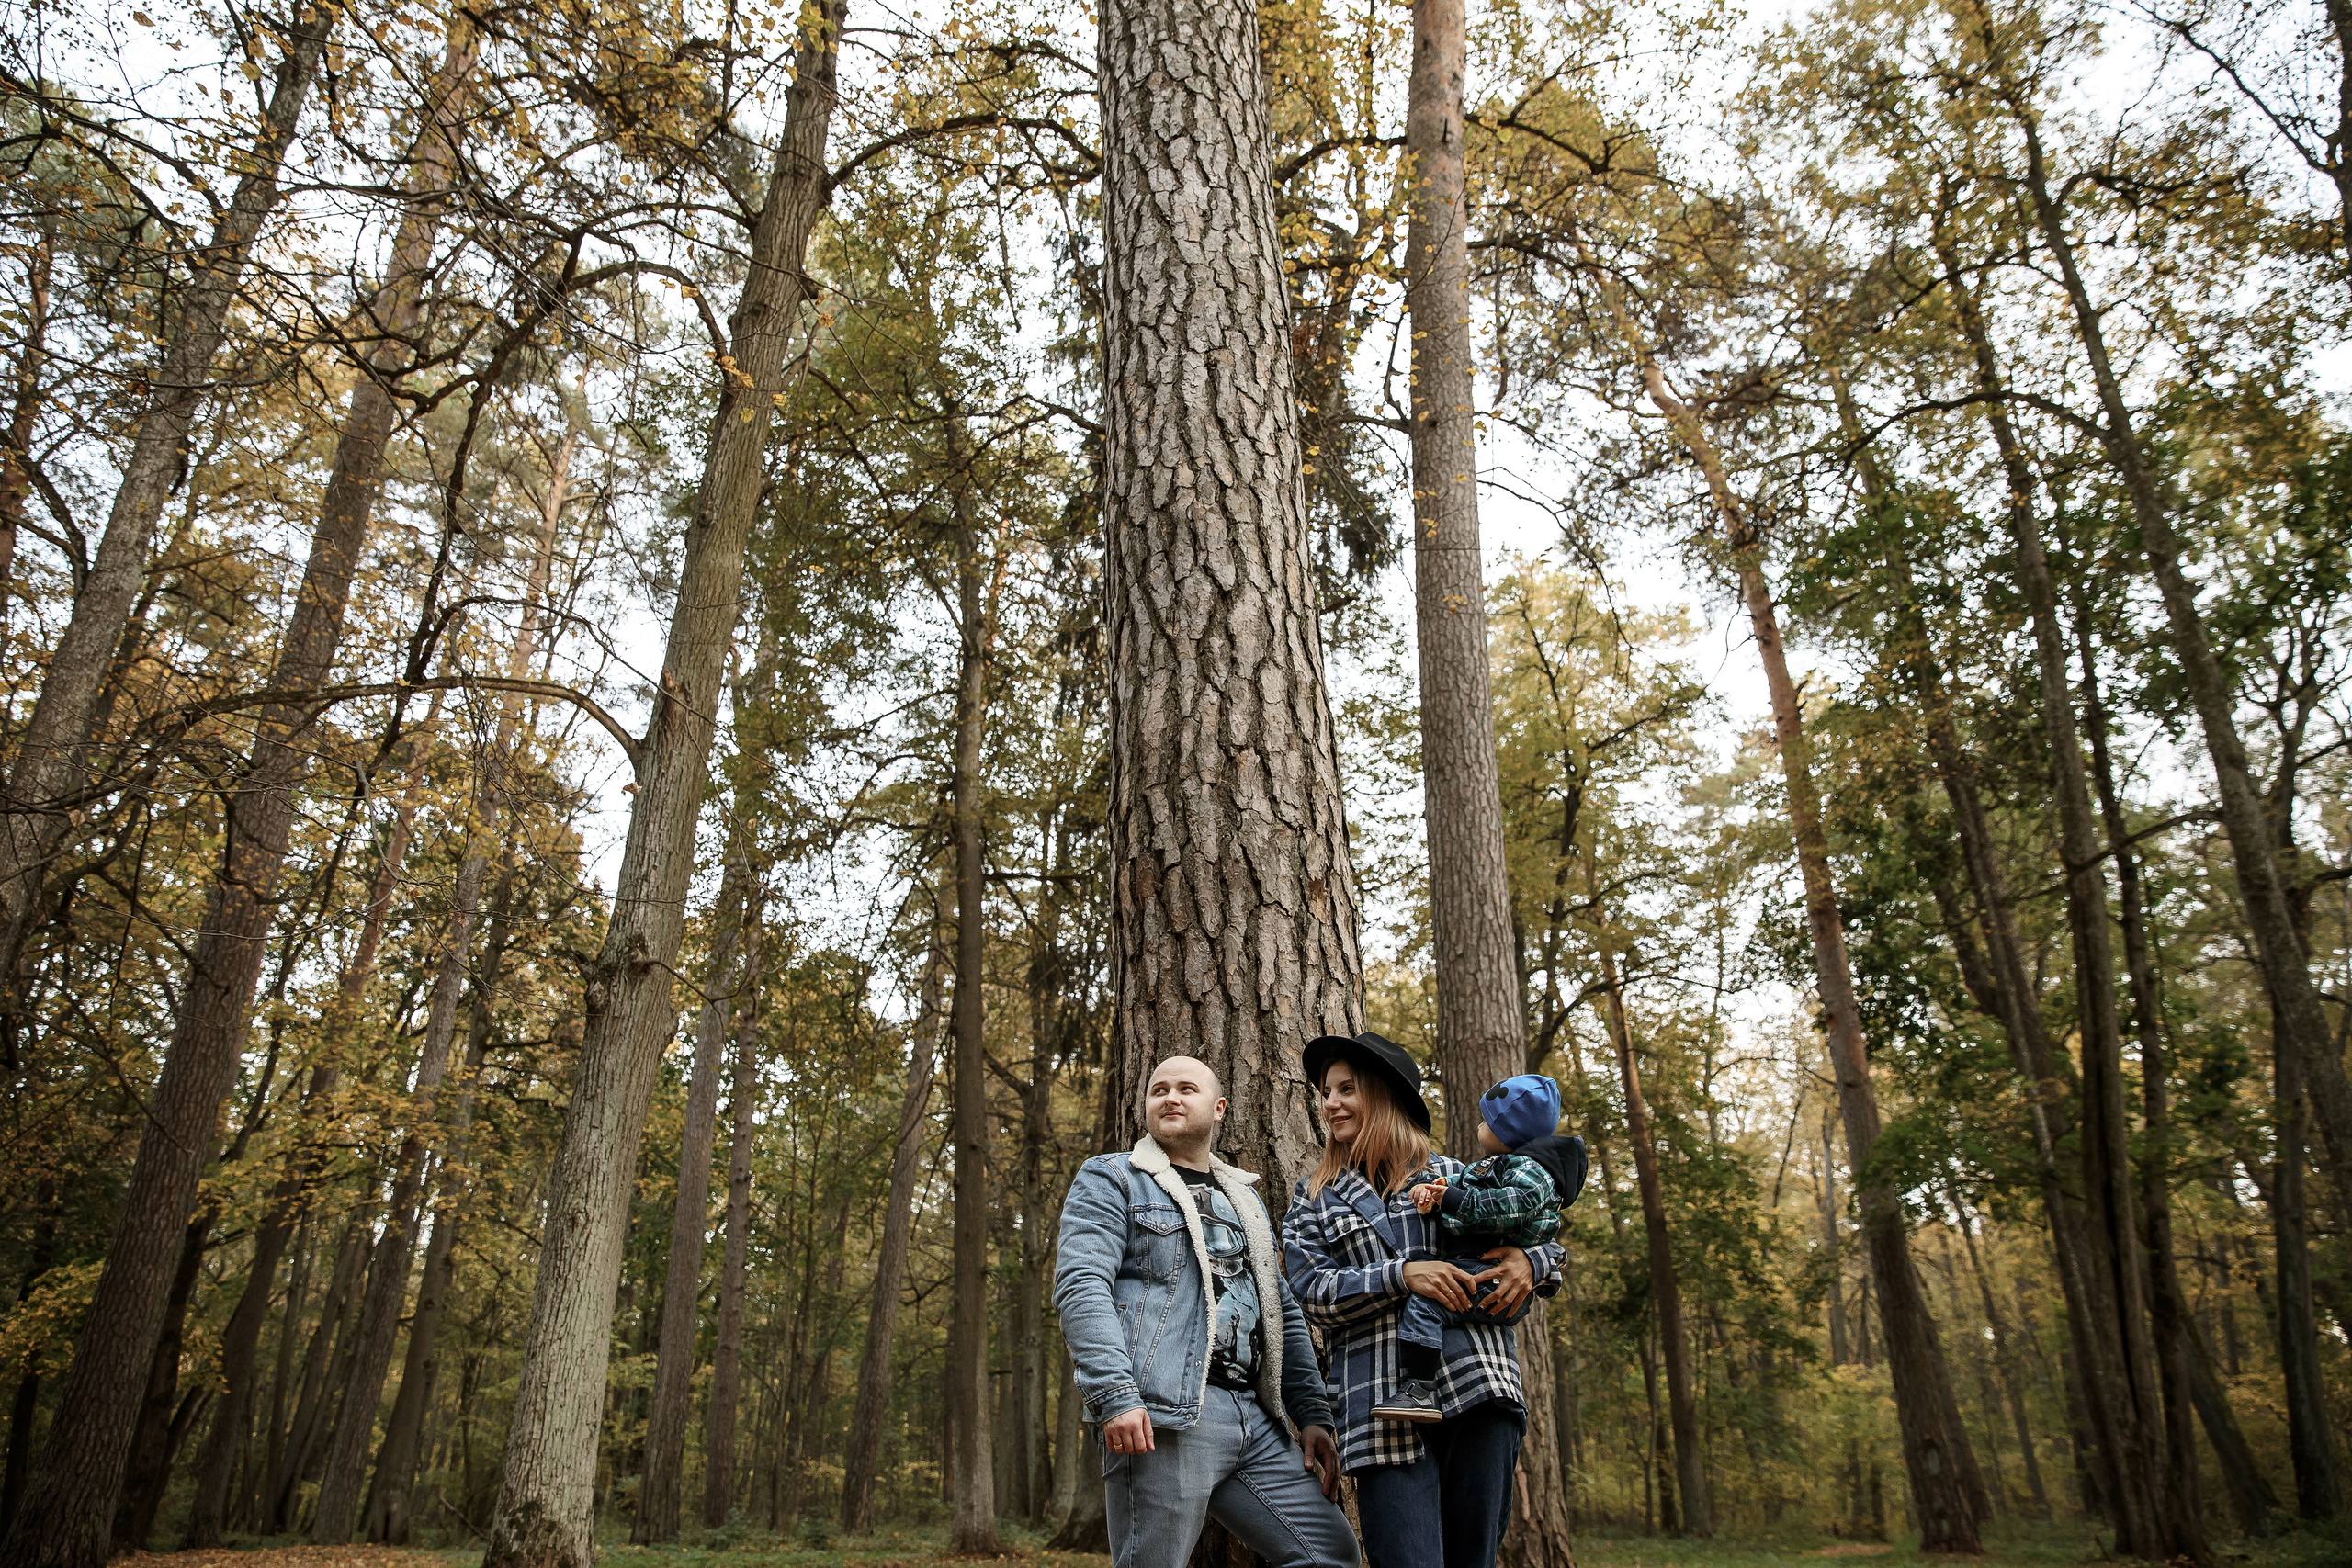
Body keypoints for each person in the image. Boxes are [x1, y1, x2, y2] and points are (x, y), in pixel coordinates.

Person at [1054, 1055, 1358, 1568]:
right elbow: (1082, 1286)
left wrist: (1311, 1415)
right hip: (1162, 1414)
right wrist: (1115, 1395)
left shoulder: (1244, 1198)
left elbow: (1279, 1309)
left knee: (1330, 1551)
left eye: (1186, 1089)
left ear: (1218, 1109)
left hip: (1256, 1418)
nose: (1170, 1097)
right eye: (1159, 1090)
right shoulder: (1113, 1177)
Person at [1282, 1032, 1564, 1568]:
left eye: (1347, 1089)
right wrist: (1403, 1275)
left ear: (1386, 1096)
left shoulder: (1459, 1176)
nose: (1331, 1103)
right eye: (1326, 1092)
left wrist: (1536, 1263)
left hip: (1479, 1386)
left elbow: (1536, 1223)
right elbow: (1312, 1291)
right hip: (1379, 1403)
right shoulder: (1313, 1199)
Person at [1380, 1074, 1587, 1421]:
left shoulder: (1532, 1172)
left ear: (1508, 1131)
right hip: (1476, 1265)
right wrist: (1433, 1189)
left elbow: (1512, 1207)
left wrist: (1454, 1199)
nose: (1479, 1125)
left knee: (1427, 1304)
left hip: (1490, 1276)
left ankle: (1419, 1391)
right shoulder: (1501, 1165)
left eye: (1487, 1120)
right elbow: (1464, 1182)